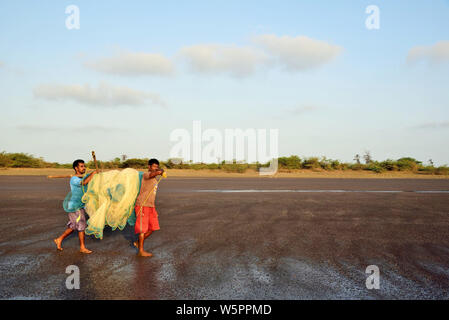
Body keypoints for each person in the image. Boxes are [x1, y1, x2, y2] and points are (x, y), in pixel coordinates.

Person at [54, 159, 97, 253]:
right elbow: (84, 183)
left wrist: (94, 175)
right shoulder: (74, 179)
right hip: (74, 206)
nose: (84, 168)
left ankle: (59, 239)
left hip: (78, 205)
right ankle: (82, 247)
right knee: (81, 225)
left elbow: (87, 180)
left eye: (84, 166)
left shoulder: (82, 177)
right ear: (76, 168)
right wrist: (93, 174)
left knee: (73, 227)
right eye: (81, 166)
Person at [133, 158, 164, 257]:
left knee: (153, 227)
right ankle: (141, 251)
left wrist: (154, 208)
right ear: (149, 167)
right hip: (142, 205)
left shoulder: (155, 179)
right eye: (154, 167)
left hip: (151, 206)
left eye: (157, 167)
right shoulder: (146, 175)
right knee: (143, 229)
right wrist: (159, 172)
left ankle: (138, 242)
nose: (155, 168)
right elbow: (151, 174)